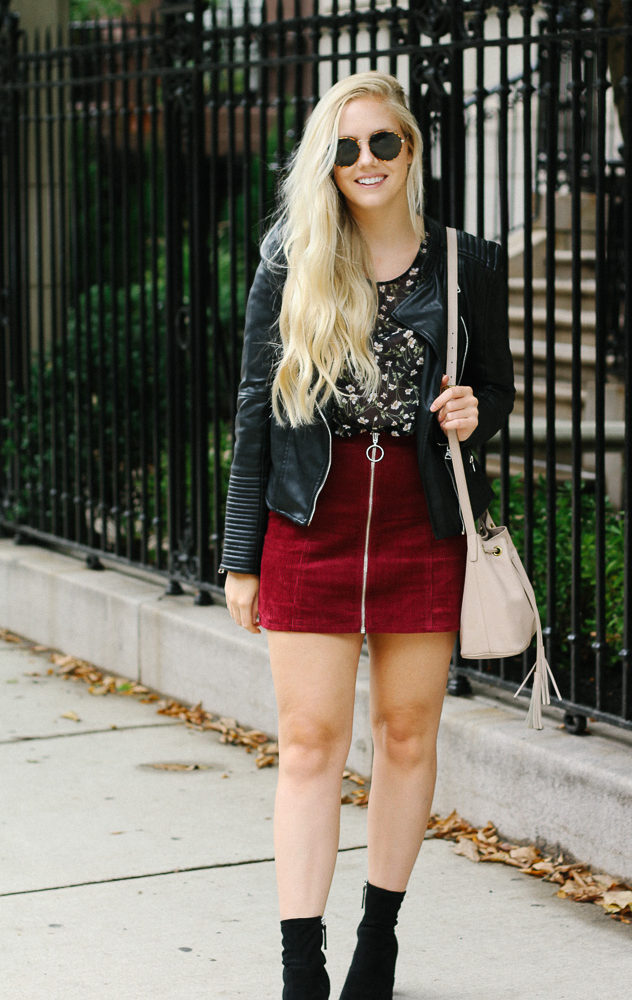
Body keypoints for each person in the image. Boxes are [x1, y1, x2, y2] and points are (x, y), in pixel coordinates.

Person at [219, 71, 514, 1000]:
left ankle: (376, 943)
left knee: (406, 735)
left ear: (411, 150)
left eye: (381, 143)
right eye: (345, 149)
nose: (365, 162)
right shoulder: (291, 259)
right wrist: (239, 555)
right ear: (327, 163)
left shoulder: (468, 263)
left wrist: (476, 413)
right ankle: (300, 963)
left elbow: (497, 391)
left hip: (418, 522)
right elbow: (253, 415)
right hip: (312, 518)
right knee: (309, 742)